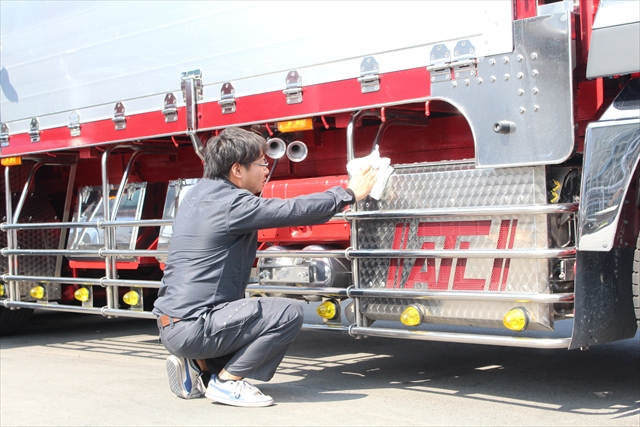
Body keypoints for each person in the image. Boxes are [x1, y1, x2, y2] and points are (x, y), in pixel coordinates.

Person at [153, 127, 378, 407]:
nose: (265, 170)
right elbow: (290, 210)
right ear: (237, 169)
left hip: (172, 323)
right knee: (287, 312)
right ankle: (227, 383)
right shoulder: (231, 204)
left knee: (247, 316)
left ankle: (199, 366)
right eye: (262, 163)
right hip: (195, 326)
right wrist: (347, 194)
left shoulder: (197, 195)